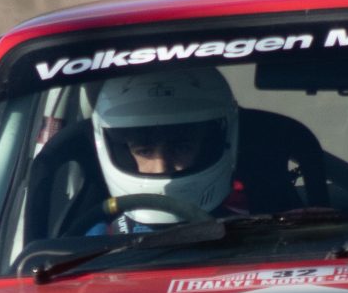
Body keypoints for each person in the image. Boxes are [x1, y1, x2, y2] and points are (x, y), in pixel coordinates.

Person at [89, 66, 240, 228]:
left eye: (181, 148)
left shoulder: (250, 224)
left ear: (208, 147)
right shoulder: (101, 236)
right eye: (145, 151)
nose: (161, 168)